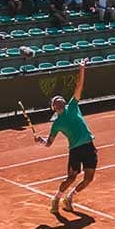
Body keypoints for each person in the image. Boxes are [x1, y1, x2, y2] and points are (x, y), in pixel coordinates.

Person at [39, 59, 97, 219]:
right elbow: (49, 143)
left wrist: (82, 69)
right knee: (71, 177)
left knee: (89, 178)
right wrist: (41, 141)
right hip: (75, 150)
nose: (59, 99)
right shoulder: (56, 123)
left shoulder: (73, 105)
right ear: (54, 107)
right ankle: (56, 199)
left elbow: (79, 86)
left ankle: (70, 197)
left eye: (60, 99)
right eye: (55, 100)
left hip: (88, 145)